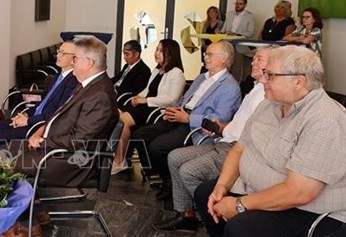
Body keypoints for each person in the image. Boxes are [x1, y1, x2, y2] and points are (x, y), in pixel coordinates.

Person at [195, 45, 346, 237]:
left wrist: (239, 205)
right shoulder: (269, 104)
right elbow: (239, 150)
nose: (263, 80)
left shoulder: (325, 120)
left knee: (242, 227)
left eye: (271, 76)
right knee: (205, 194)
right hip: (256, 191)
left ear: (299, 81)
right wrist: (222, 186)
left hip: (306, 209)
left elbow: (300, 193)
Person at [152, 47, 271, 232]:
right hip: (222, 138)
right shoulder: (255, 89)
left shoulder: (265, 94)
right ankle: (187, 215)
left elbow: (250, 133)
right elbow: (236, 124)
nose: (253, 62)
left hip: (235, 147)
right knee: (174, 157)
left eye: (259, 59)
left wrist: (200, 121)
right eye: (254, 58)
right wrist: (219, 128)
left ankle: (215, 216)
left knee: (188, 170)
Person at [131, 41, 241, 199]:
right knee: (140, 135)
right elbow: (185, 99)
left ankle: (169, 183)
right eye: (206, 53)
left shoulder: (230, 87)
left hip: (194, 128)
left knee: (158, 147)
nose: (205, 57)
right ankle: (163, 177)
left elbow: (218, 121)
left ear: (223, 59)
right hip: (180, 116)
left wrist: (189, 118)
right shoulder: (201, 77)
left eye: (209, 54)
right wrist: (175, 109)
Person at [11, 36, 119, 187]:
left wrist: (42, 142)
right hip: (53, 147)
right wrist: (39, 132)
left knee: (3, 160)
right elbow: (58, 114)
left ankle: (20, 207)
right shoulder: (88, 85)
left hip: (68, 161)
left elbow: (79, 141)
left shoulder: (100, 95)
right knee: (2, 151)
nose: (72, 62)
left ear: (88, 63)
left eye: (75, 58)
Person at [111, 39, 186, 175]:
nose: (156, 53)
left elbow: (171, 99)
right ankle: (116, 155)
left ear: (170, 53)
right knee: (116, 115)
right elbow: (148, 89)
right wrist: (137, 97)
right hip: (146, 106)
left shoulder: (176, 73)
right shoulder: (157, 70)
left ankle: (119, 160)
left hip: (155, 110)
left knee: (123, 122)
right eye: (156, 49)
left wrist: (145, 100)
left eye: (160, 50)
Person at [0, 41, 79, 142]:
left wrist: (27, 121)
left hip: (41, 124)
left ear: (74, 59)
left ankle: (0, 156)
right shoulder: (58, 76)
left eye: (63, 53)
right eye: (58, 51)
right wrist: (26, 114)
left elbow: (57, 112)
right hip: (33, 117)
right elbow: (43, 103)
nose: (58, 55)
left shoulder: (73, 82)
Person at [201, 6, 223, 73]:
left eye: (213, 12)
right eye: (209, 12)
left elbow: (221, 36)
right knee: (205, 62)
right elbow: (202, 35)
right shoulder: (205, 23)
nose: (211, 13)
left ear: (216, 13)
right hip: (206, 45)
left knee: (213, 62)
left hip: (215, 46)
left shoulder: (220, 23)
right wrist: (204, 44)